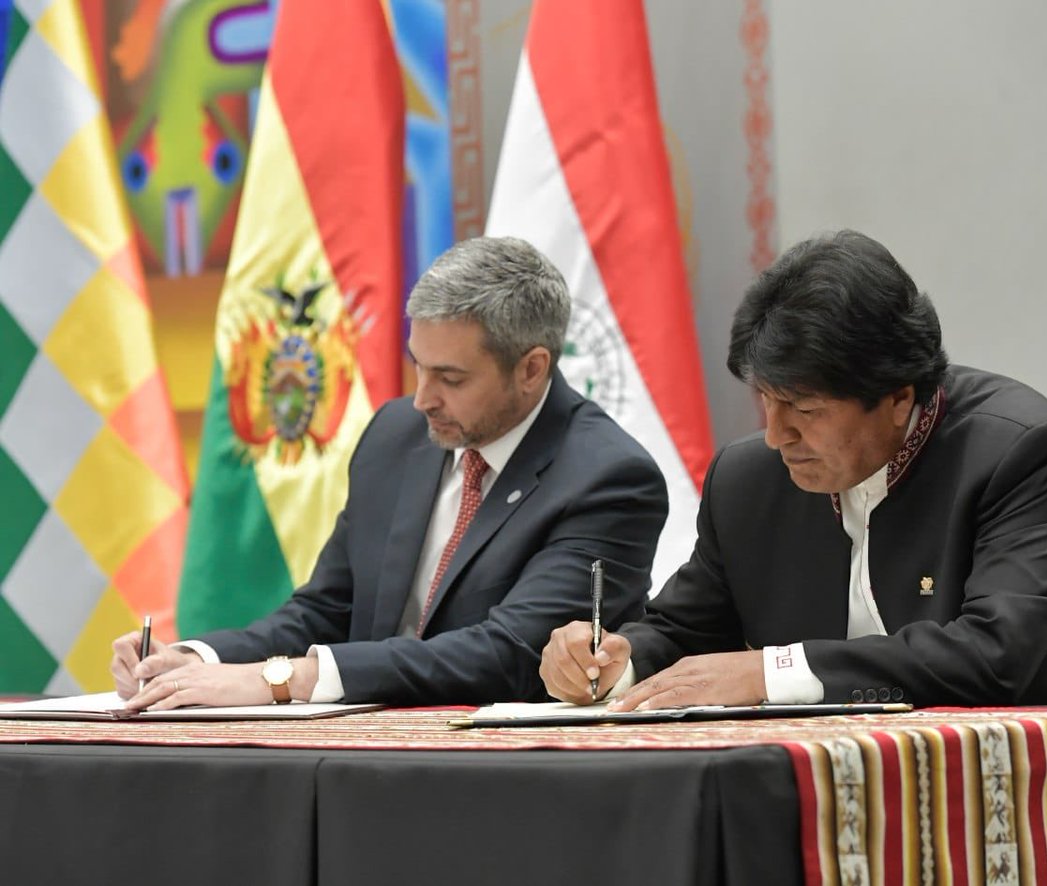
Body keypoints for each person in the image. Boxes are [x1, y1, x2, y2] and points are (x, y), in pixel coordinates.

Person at [541, 229, 1047, 710]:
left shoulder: (1020, 452)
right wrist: (615, 662)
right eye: (766, 401)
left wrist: (770, 671)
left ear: (898, 397)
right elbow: (681, 631)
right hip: (840, 782)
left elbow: (992, 655)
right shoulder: (748, 479)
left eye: (805, 410)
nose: (776, 435)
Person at [112, 236, 667, 709]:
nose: (422, 399)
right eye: (417, 367)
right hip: (359, 749)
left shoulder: (609, 479)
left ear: (531, 369)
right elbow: (327, 608)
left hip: (503, 768)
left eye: (451, 379)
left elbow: (510, 653)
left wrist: (282, 680)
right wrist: (196, 659)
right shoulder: (396, 436)